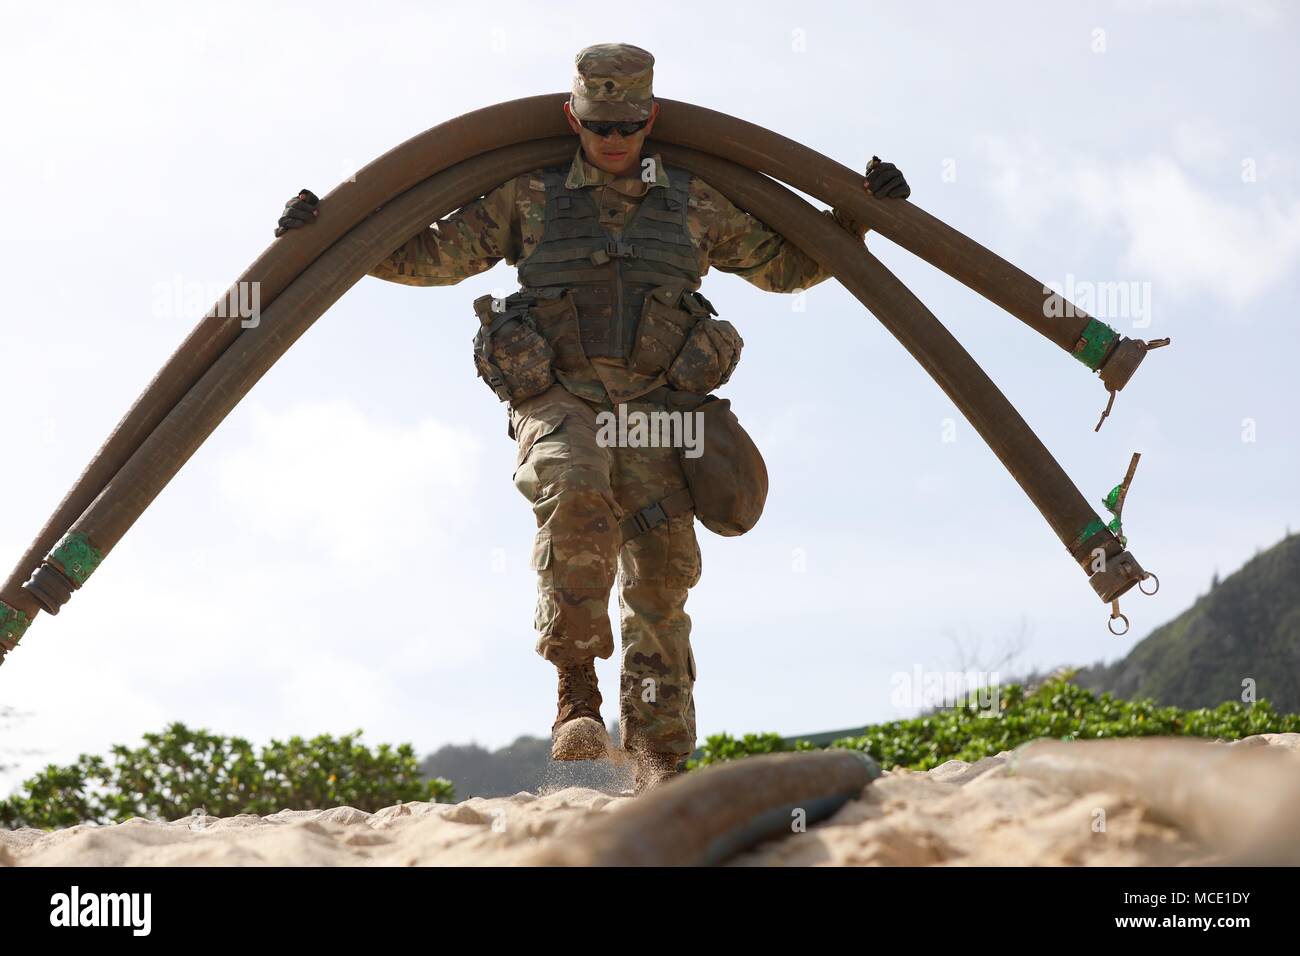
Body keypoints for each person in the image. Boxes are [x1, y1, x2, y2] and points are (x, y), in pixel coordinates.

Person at [274, 43, 910, 792]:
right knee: (575, 490)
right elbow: (431, 255)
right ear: (571, 116)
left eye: (629, 125)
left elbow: (788, 267)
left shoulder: (696, 199)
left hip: (659, 410)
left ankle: (660, 766)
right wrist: (327, 228)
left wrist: (858, 215)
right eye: (600, 124)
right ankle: (576, 693)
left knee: (661, 583)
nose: (614, 140)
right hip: (561, 398)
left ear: (653, 118)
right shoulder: (528, 196)